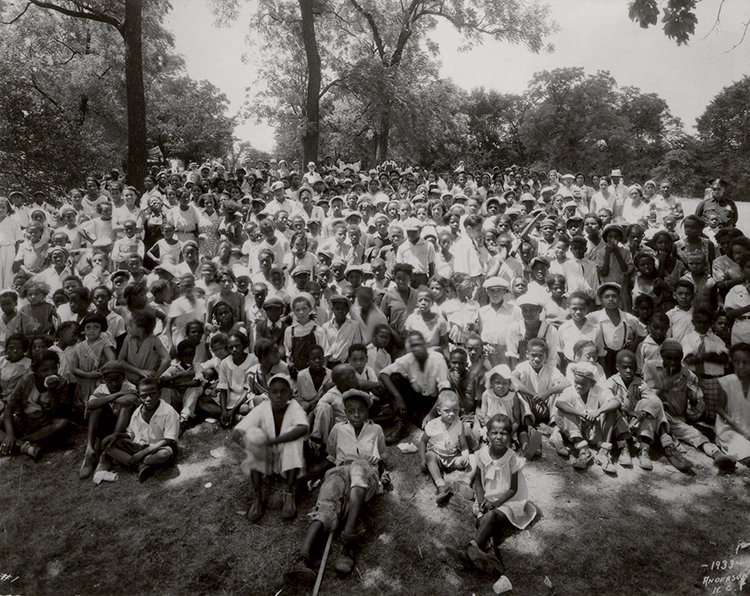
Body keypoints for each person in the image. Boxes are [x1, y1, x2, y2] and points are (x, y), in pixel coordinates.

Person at [285, 389, 389, 582]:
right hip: (341, 469)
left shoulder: (376, 430)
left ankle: (348, 541)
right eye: (351, 411)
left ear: (367, 410)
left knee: (358, 467)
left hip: (366, 473)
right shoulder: (338, 429)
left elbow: (381, 458)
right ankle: (302, 558)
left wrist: (384, 475)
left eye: (360, 410)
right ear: (345, 412)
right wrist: (315, 473)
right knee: (329, 493)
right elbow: (332, 457)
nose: (356, 415)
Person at [446, 414, 536, 579]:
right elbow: (479, 482)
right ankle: (492, 558)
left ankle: (469, 550)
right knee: (484, 519)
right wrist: (481, 501)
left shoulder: (511, 458)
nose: (498, 437)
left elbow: (513, 489)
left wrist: (496, 504)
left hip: (508, 501)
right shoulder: (481, 454)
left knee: (491, 516)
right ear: (487, 435)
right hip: (488, 498)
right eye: (494, 433)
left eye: (503, 433)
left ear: (510, 436)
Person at [643, 339, 735, 472]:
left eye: (677, 358)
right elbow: (646, 396)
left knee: (694, 434)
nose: (673, 362)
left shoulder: (689, 376)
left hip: (675, 420)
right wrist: (663, 389)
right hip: (653, 416)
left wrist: (693, 402)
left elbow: (695, 414)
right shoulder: (650, 367)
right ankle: (671, 447)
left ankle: (717, 454)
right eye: (668, 358)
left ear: (681, 357)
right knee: (655, 405)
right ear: (661, 355)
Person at [233, 373, 309, 522]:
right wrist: (254, 447)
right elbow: (237, 433)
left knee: (293, 439)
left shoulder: (294, 407)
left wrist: (273, 441)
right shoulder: (262, 408)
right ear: (268, 394)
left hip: (287, 456)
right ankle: (258, 495)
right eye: (274, 392)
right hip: (266, 456)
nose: (278, 396)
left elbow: (303, 428)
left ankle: (289, 492)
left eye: (283, 392)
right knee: (254, 436)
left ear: (290, 394)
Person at [100, 376, 179, 482]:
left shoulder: (169, 411)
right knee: (109, 445)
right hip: (139, 446)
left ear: (159, 393)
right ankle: (140, 466)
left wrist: (143, 453)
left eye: (152, 394)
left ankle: (132, 461)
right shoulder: (137, 412)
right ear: (139, 396)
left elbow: (169, 439)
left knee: (163, 455)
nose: (148, 399)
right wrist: (116, 435)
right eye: (144, 396)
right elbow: (131, 434)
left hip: (159, 448)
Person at [0, 350, 71, 461]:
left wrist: (51, 391)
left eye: (54, 368)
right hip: (24, 421)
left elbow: (58, 413)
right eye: (44, 370)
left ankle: (21, 442)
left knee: (62, 423)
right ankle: (23, 446)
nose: (50, 373)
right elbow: (9, 407)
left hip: (44, 426)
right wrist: (9, 434)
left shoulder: (62, 383)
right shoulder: (26, 380)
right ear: (35, 371)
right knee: (4, 421)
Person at [379, 330, 450, 440]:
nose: (417, 349)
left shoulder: (437, 359)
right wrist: (398, 398)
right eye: (413, 346)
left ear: (425, 343)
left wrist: (431, 414)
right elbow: (383, 374)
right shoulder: (408, 359)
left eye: (419, 344)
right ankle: (401, 423)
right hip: (416, 399)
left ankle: (414, 418)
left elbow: (445, 391)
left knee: (431, 430)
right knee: (395, 377)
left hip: (433, 403)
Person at [553, 362, 621, 472]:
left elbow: (616, 402)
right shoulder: (570, 390)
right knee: (562, 411)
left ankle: (603, 452)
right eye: (576, 382)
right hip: (575, 429)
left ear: (592, 383)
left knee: (612, 410)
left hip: (592, 431)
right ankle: (583, 452)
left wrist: (598, 411)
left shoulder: (599, 390)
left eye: (583, 384)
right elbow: (559, 403)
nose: (578, 386)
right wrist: (581, 414)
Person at [80, 361, 138, 479]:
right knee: (96, 408)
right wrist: (119, 394)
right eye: (110, 381)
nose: (114, 384)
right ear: (104, 380)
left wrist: (104, 399)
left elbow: (130, 399)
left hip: (123, 427)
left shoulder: (130, 386)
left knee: (127, 406)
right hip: (106, 425)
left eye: (118, 380)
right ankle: (90, 450)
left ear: (124, 378)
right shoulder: (101, 388)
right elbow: (91, 405)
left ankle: (109, 449)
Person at [419, 391, 470, 504]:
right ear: (438, 411)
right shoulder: (432, 424)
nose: (451, 414)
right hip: (437, 455)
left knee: (473, 458)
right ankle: (441, 484)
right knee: (429, 456)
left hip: (452, 457)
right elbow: (423, 441)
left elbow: (464, 445)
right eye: (446, 410)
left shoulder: (459, 424)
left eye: (455, 410)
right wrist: (423, 458)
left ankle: (466, 482)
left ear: (459, 410)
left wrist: (465, 455)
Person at [715, 343, 750, 466]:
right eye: (736, 362)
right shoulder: (726, 382)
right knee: (746, 452)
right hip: (730, 429)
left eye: (746, 363)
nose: (741, 366)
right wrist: (742, 430)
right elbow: (719, 408)